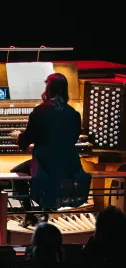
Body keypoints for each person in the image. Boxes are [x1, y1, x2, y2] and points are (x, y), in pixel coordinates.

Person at [10, 73, 91, 226]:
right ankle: (43, 211)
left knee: (14, 173)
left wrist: (19, 137)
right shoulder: (73, 114)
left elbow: (24, 142)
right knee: (48, 170)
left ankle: (29, 214)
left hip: (45, 164)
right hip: (68, 164)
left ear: (48, 89)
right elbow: (69, 141)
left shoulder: (39, 111)